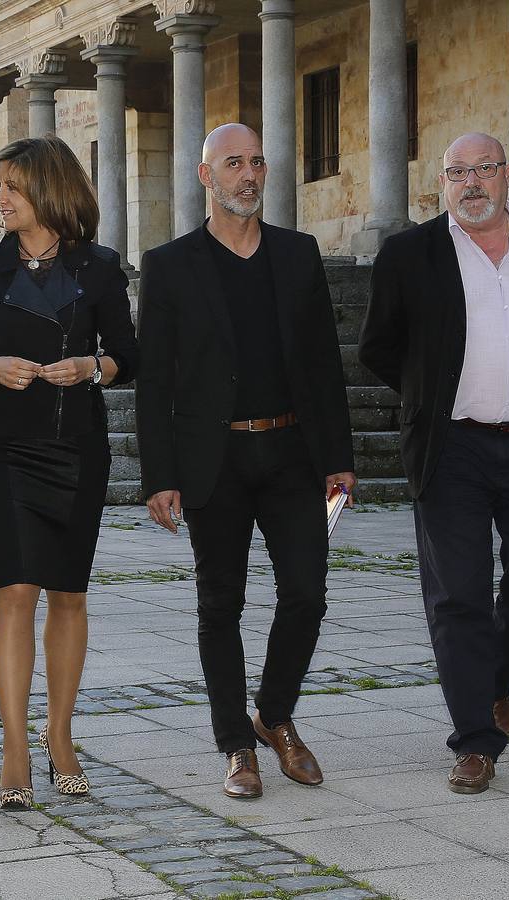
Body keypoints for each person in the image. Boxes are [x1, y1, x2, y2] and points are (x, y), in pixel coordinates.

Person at [359, 132, 509, 795]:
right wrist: (431, 394)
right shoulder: (410, 254)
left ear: (507, 174)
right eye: (456, 172)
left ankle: (492, 681)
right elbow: (380, 345)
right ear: (442, 182)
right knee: (457, 595)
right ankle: (475, 740)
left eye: (483, 170)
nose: (470, 184)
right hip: (452, 446)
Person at [136, 124, 356, 801]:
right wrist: (160, 477)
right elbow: (155, 382)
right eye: (233, 163)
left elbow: (323, 363)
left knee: (308, 594)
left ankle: (275, 713)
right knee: (219, 604)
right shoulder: (171, 265)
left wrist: (338, 458)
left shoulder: (298, 254)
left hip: (291, 452)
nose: (249, 175)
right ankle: (237, 744)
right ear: (205, 177)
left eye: (257, 161)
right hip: (214, 459)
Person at [0, 136, 137, 811]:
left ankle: (60, 736)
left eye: (10, 188)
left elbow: (127, 355)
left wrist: (93, 367)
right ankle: (12, 747)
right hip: (3, 448)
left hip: (76, 447)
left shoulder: (100, 268)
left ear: (48, 191)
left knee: (69, 594)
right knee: (16, 590)